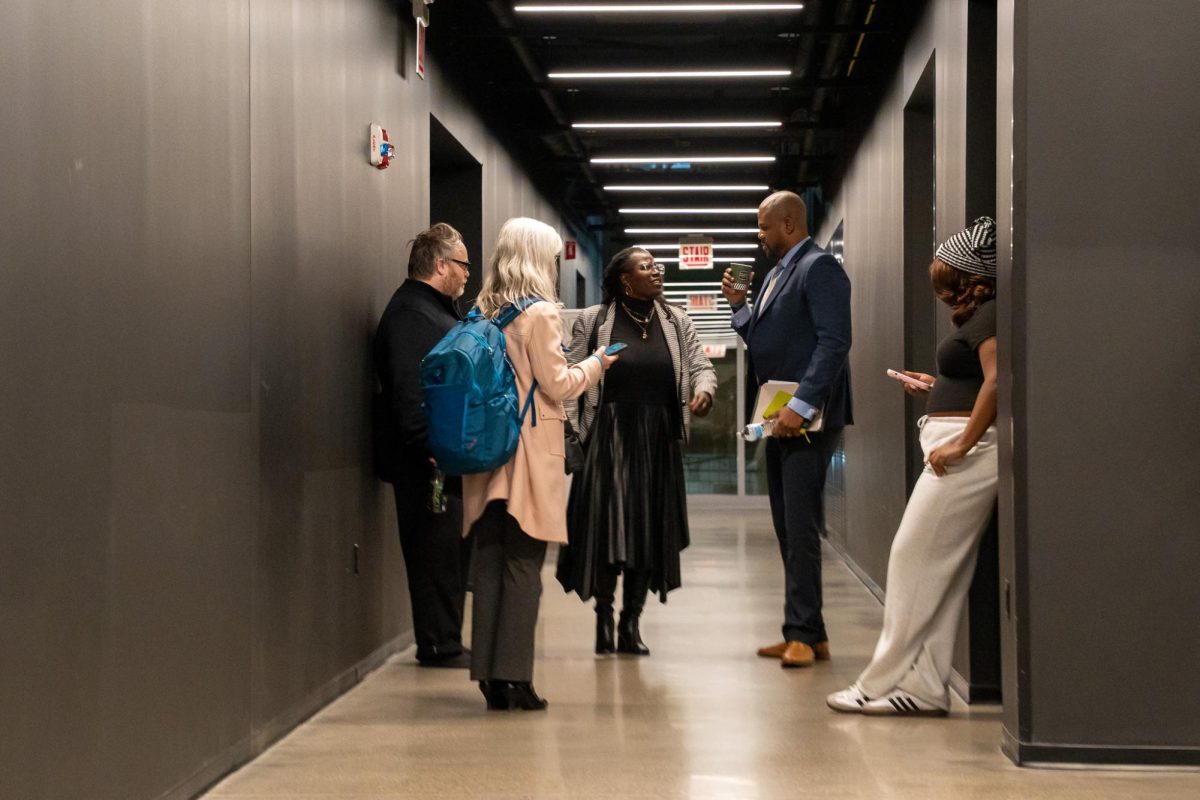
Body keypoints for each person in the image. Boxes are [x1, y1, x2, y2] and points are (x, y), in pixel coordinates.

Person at [827, 217, 998, 717]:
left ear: (967, 277)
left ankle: (878, 682)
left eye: (947, 280)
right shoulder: (981, 318)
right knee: (941, 572)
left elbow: (997, 382)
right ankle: (923, 686)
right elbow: (976, 380)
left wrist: (962, 444)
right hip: (958, 443)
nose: (942, 291)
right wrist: (934, 385)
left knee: (909, 560)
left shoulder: (989, 316)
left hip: (967, 452)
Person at [461, 217, 617, 711]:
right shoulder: (541, 314)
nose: (554, 266)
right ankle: (516, 678)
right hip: (528, 456)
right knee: (524, 567)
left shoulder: (481, 311)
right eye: (552, 258)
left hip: (486, 454)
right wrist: (597, 363)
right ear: (536, 259)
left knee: (488, 564)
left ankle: (488, 674)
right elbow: (559, 385)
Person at [557, 247, 718, 656]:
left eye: (657, 265)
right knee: (608, 532)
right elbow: (571, 376)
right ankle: (604, 619)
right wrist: (571, 432)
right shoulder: (595, 320)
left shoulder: (676, 321)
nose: (656, 271)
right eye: (646, 267)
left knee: (647, 533)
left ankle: (631, 623)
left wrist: (704, 391)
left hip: (657, 439)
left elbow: (701, 365)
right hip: (608, 437)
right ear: (626, 279)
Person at [721, 190, 853, 669]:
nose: (760, 236)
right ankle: (808, 631)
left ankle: (802, 631)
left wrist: (802, 404)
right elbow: (763, 338)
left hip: (807, 420)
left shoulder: (820, 268)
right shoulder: (779, 272)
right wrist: (740, 306)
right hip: (780, 418)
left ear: (790, 224)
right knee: (786, 525)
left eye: (764, 227)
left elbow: (835, 342)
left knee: (799, 526)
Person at [373, 223, 474, 668]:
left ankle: (446, 639)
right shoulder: (413, 314)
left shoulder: (433, 309)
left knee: (447, 553)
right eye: (463, 264)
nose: (468, 273)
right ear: (440, 265)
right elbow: (409, 390)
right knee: (433, 553)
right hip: (424, 461)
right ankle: (437, 644)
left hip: (439, 456)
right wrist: (428, 444)